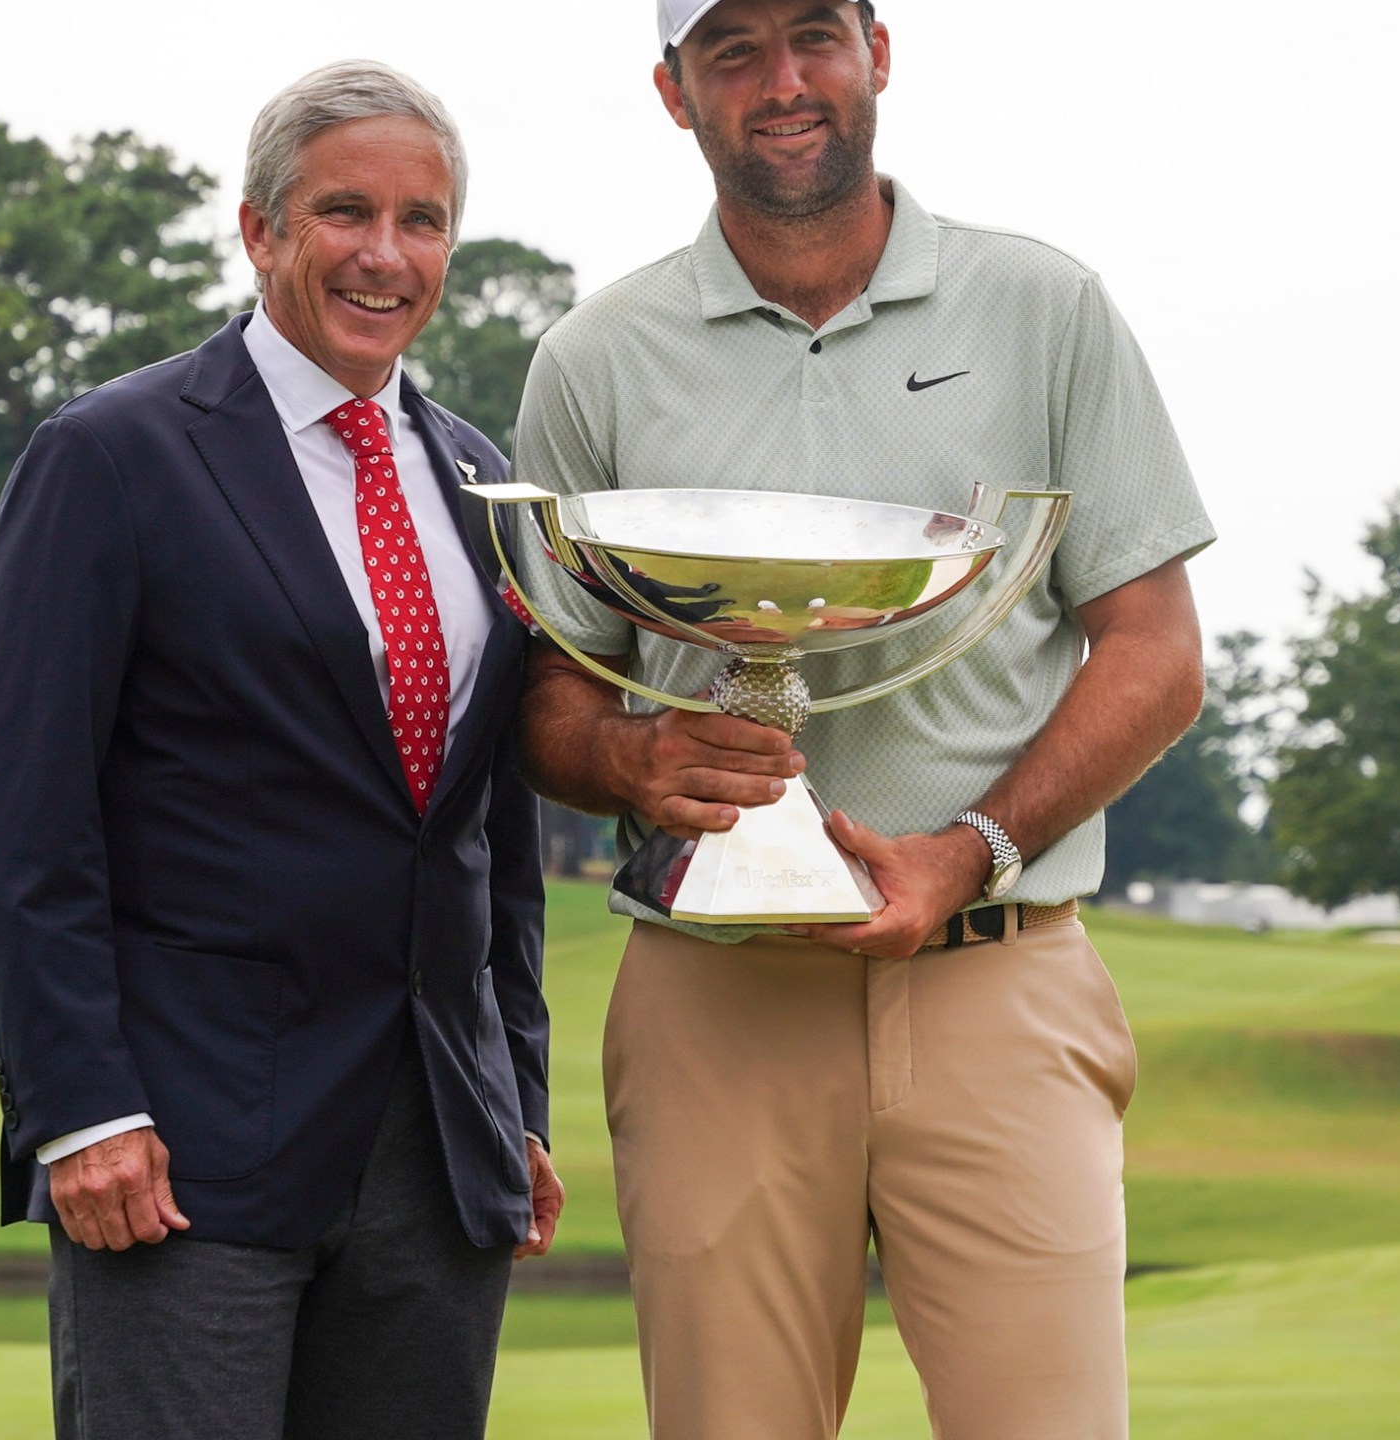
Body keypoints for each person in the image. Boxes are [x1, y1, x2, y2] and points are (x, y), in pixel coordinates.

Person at [511, 3, 1212, 1434]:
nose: (784, 83)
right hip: (716, 1000)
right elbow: (555, 695)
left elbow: (1155, 653)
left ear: (879, 52)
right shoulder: (596, 356)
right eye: (734, 50)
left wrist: (967, 851)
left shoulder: (1046, 307)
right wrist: (637, 762)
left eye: (815, 35)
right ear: (673, 91)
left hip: (998, 980)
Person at [0, 61, 561, 1440]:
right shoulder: (112, 456)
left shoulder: (483, 482)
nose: (384, 254)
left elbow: (494, 832)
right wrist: (77, 1110)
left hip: (436, 1164)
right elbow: (23, 819)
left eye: (422, 221)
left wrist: (514, 1101)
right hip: (184, 1152)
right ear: (260, 230)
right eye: (345, 211)